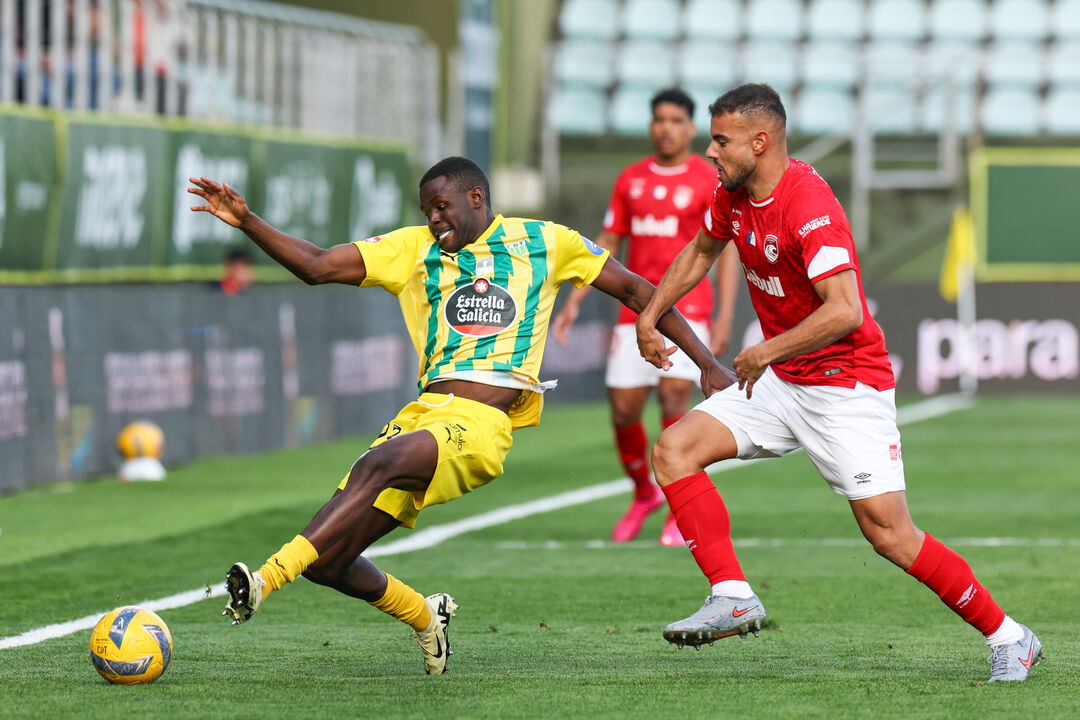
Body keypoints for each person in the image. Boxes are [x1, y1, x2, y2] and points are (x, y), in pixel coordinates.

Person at [186, 157, 731, 675]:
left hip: (480, 424)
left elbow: (636, 289)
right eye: (427, 210)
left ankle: (267, 578)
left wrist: (705, 362)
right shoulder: (412, 249)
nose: (433, 219)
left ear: (476, 197)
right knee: (330, 562)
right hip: (422, 414)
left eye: (441, 206)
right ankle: (425, 616)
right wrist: (248, 221)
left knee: (379, 465)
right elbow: (318, 265)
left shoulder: (546, 241)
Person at [635, 84, 1042, 683]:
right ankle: (733, 595)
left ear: (759, 141)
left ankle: (1011, 636)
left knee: (891, 535)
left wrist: (764, 350)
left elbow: (846, 310)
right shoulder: (732, 192)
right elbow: (700, 250)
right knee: (674, 450)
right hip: (782, 381)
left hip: (845, 386)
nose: (710, 152)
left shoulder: (807, 204)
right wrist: (649, 315)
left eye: (720, 141)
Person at [552, 88, 739, 546]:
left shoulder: (709, 179)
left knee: (675, 399)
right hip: (634, 311)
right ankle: (643, 493)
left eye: (675, 120)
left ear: (691, 128)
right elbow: (606, 243)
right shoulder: (630, 179)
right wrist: (574, 300)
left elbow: (723, 250)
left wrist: (723, 317)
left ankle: (676, 504)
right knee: (622, 410)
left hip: (688, 308)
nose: (666, 128)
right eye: (659, 119)